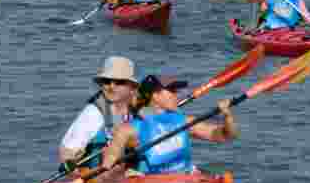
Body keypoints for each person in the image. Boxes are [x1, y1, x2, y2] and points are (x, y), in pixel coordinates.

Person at [99, 73, 237, 177]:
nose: (176, 95)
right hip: (150, 182)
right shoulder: (129, 129)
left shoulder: (184, 121)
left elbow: (225, 135)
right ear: (155, 96)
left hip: (185, 176)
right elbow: (109, 162)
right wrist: (110, 160)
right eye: (172, 91)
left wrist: (227, 117)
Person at [59, 57, 140, 170]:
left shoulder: (138, 110)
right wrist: (70, 161)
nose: (112, 86)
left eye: (119, 82)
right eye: (107, 82)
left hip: (128, 170)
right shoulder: (93, 113)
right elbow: (67, 149)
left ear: (132, 88)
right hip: (99, 174)